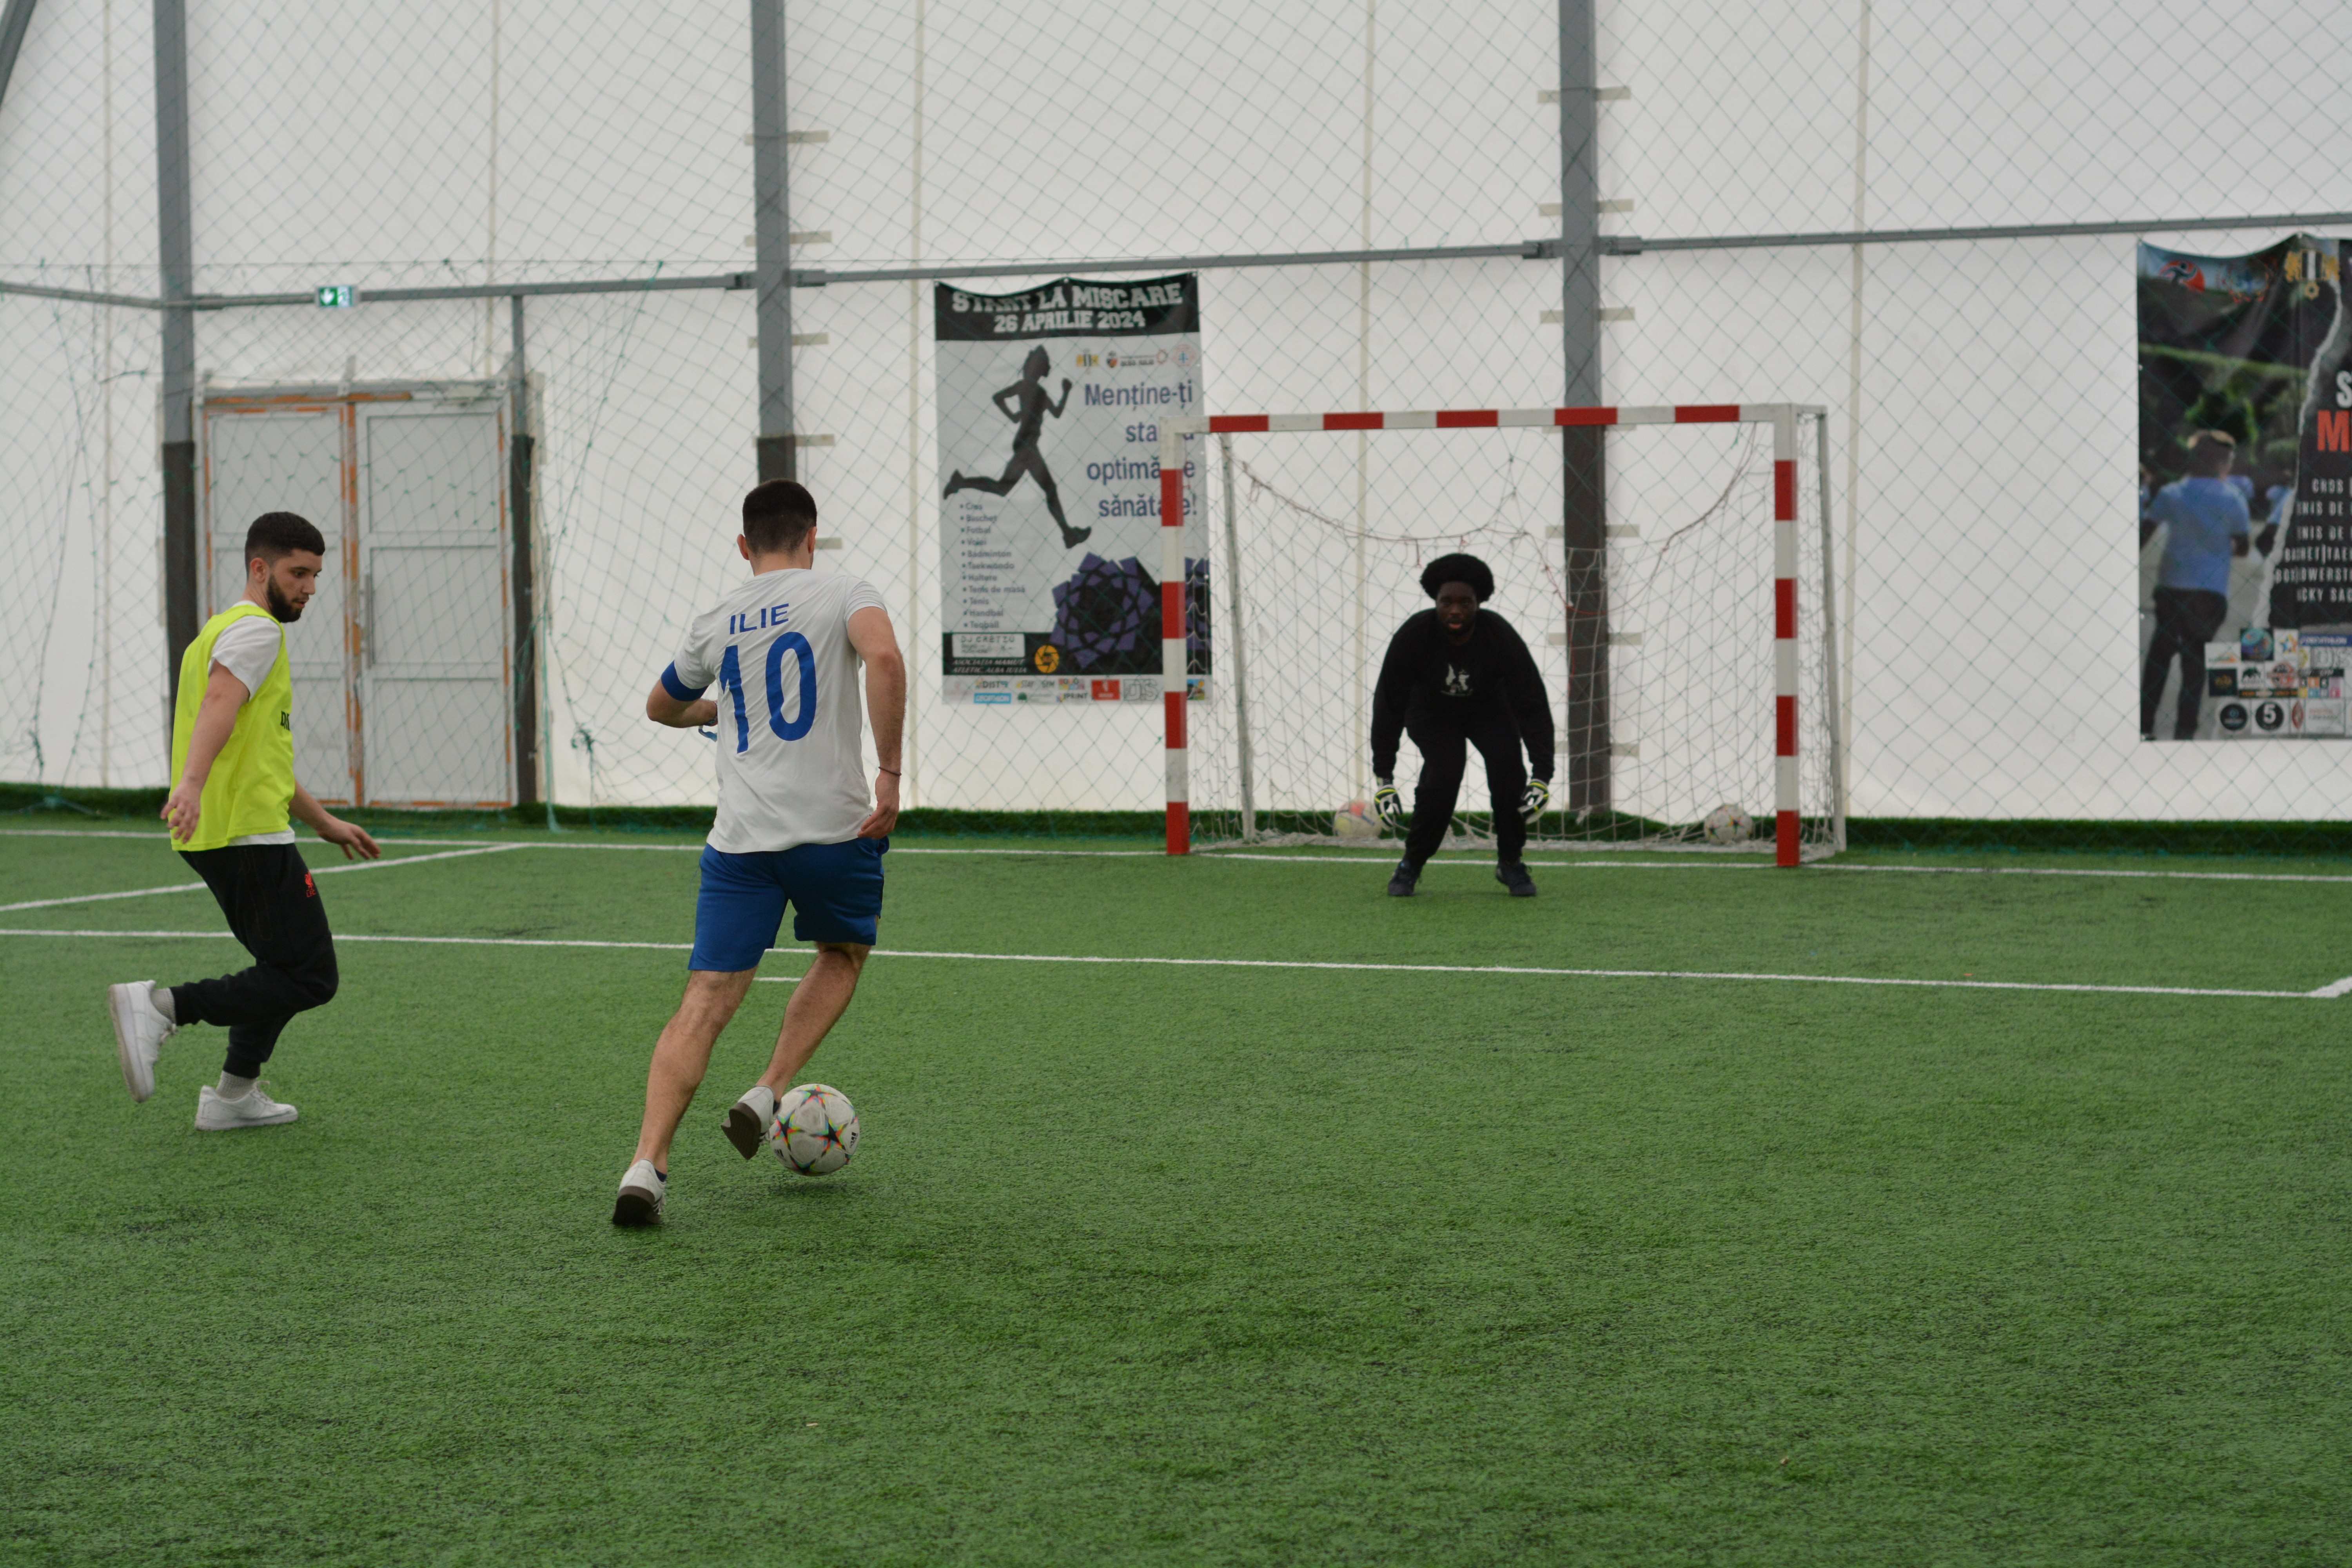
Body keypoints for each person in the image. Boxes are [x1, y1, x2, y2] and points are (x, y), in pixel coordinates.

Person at [614, 478, 907, 1227]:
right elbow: (885, 661)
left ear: (745, 546)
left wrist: (721, 706)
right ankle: (770, 1085)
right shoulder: (846, 590)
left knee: (706, 1000)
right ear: (813, 537)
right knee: (842, 954)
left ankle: (647, 1165)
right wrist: (891, 771)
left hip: (741, 843)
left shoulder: (718, 619)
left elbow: (660, 707)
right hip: (833, 834)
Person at [105, 512, 382, 1129]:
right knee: (311, 976)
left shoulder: (225, 630)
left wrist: (322, 821)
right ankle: (163, 1008)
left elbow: (260, 753)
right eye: (297, 573)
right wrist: (194, 784)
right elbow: (220, 706)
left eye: (315, 574)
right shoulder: (257, 632)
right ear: (260, 570)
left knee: (281, 971)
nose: (310, 587)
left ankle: (233, 1096)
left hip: (237, 830)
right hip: (242, 834)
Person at [1369, 552, 1555, 898]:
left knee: (1507, 767)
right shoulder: (1414, 636)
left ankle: (1511, 862)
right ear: (1435, 602)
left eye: (1465, 602)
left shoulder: (1499, 636)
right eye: (1446, 602)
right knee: (1444, 771)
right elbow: (1389, 705)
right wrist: (1384, 778)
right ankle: (1412, 862)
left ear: (1479, 603)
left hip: (1488, 707)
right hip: (1430, 711)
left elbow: (1531, 703)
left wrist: (1542, 774)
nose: (1455, 610)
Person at [2140, 430, 2252, 740]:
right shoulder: (2233, 498)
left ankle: (2145, 726)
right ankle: (2185, 732)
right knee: (2196, 663)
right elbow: (2242, 547)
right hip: (2210, 593)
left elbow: (2144, 533)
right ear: (2223, 462)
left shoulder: (2172, 493)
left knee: (2159, 658)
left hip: (2172, 588)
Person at [943, 345, 1090, 550]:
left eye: (1039, 366)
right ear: (1028, 367)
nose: (1035, 369)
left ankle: (961, 483)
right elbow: (998, 397)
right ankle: (1068, 534)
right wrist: (1013, 416)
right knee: (1049, 489)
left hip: (1027, 446)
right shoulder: (1025, 387)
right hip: (1027, 446)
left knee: (1004, 488)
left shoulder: (1039, 391)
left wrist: (1065, 393)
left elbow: (1056, 413)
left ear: (1042, 371)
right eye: (1033, 364)